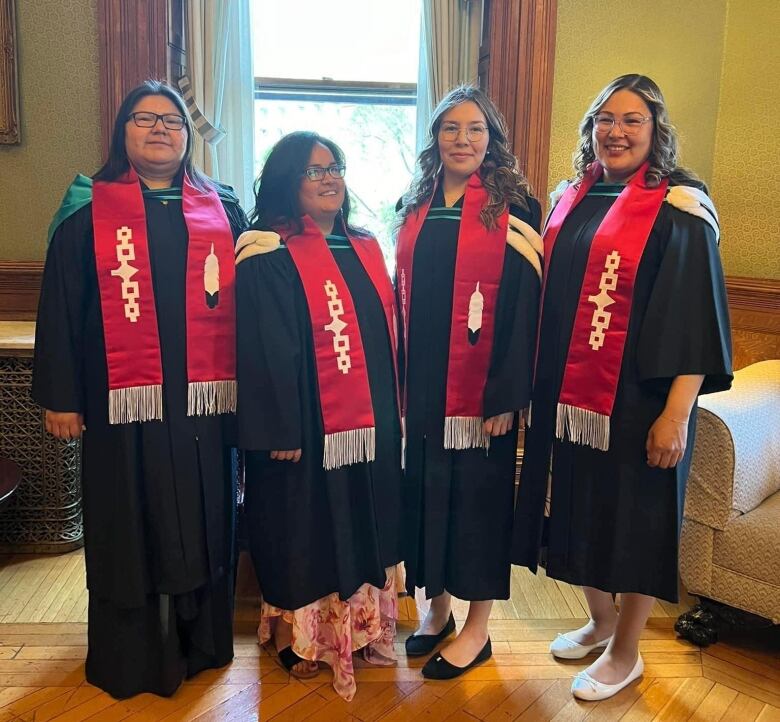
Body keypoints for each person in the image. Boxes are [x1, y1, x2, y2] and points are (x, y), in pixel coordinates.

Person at [512, 74, 732, 701]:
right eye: (606, 119)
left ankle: (627, 651)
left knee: (633, 523)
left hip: (639, 403)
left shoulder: (679, 208)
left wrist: (676, 413)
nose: (617, 131)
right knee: (579, 509)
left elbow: (697, 317)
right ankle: (601, 621)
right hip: (572, 398)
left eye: (632, 120)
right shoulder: (572, 199)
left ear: (655, 129)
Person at [31, 80, 247, 699]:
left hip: (202, 409)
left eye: (173, 121)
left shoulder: (222, 210)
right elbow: (61, 309)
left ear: (188, 137)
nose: (159, 130)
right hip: (121, 405)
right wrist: (62, 396)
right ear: (121, 131)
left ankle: (200, 642)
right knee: (129, 521)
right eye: (144, 119)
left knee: (204, 519)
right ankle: (133, 656)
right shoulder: (85, 212)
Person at [235, 131, 403, 701]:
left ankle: (353, 630)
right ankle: (294, 632)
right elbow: (260, 348)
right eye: (313, 171)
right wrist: (278, 424)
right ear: (288, 180)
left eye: (335, 167)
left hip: (363, 425)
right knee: (300, 522)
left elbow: (383, 340)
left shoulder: (365, 246)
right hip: (301, 427)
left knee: (358, 517)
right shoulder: (266, 250)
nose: (329, 178)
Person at [396, 85, 543, 679]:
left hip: (484, 391)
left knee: (478, 505)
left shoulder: (516, 206)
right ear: (435, 137)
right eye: (451, 128)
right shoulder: (416, 201)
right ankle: (437, 610)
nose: (462, 139)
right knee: (428, 496)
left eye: (475, 129)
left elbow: (525, 308)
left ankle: (478, 629)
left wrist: (507, 394)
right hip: (426, 385)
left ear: (492, 138)